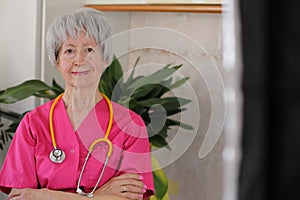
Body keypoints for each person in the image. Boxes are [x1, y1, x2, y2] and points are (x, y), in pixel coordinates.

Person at [0, 7, 154, 200]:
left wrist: (46, 196)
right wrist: (101, 196)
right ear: (57, 61)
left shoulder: (131, 125)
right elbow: (20, 197)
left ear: (106, 58)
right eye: (69, 51)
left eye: (89, 50)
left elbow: (132, 197)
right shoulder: (33, 124)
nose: (79, 60)